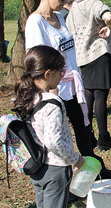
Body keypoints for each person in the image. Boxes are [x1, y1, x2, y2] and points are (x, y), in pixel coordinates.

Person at [25, 0, 111, 178]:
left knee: (84, 131)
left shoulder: (60, 16)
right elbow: (37, 63)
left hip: (73, 86)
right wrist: (50, 93)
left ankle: (94, 172)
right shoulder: (35, 23)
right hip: (54, 90)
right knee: (60, 138)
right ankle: (63, 179)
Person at [13, 45, 85, 208]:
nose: (62, 76)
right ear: (48, 74)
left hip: (37, 166)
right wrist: (75, 159)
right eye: (61, 72)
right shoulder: (52, 104)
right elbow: (54, 141)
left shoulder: (27, 97)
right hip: (56, 169)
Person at [66, 0, 111, 151]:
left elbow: (69, 29)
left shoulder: (74, 5)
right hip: (98, 54)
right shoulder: (93, 1)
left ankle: (88, 137)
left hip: (82, 56)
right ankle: (104, 139)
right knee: (101, 98)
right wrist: (108, 26)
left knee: (87, 96)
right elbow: (107, 15)